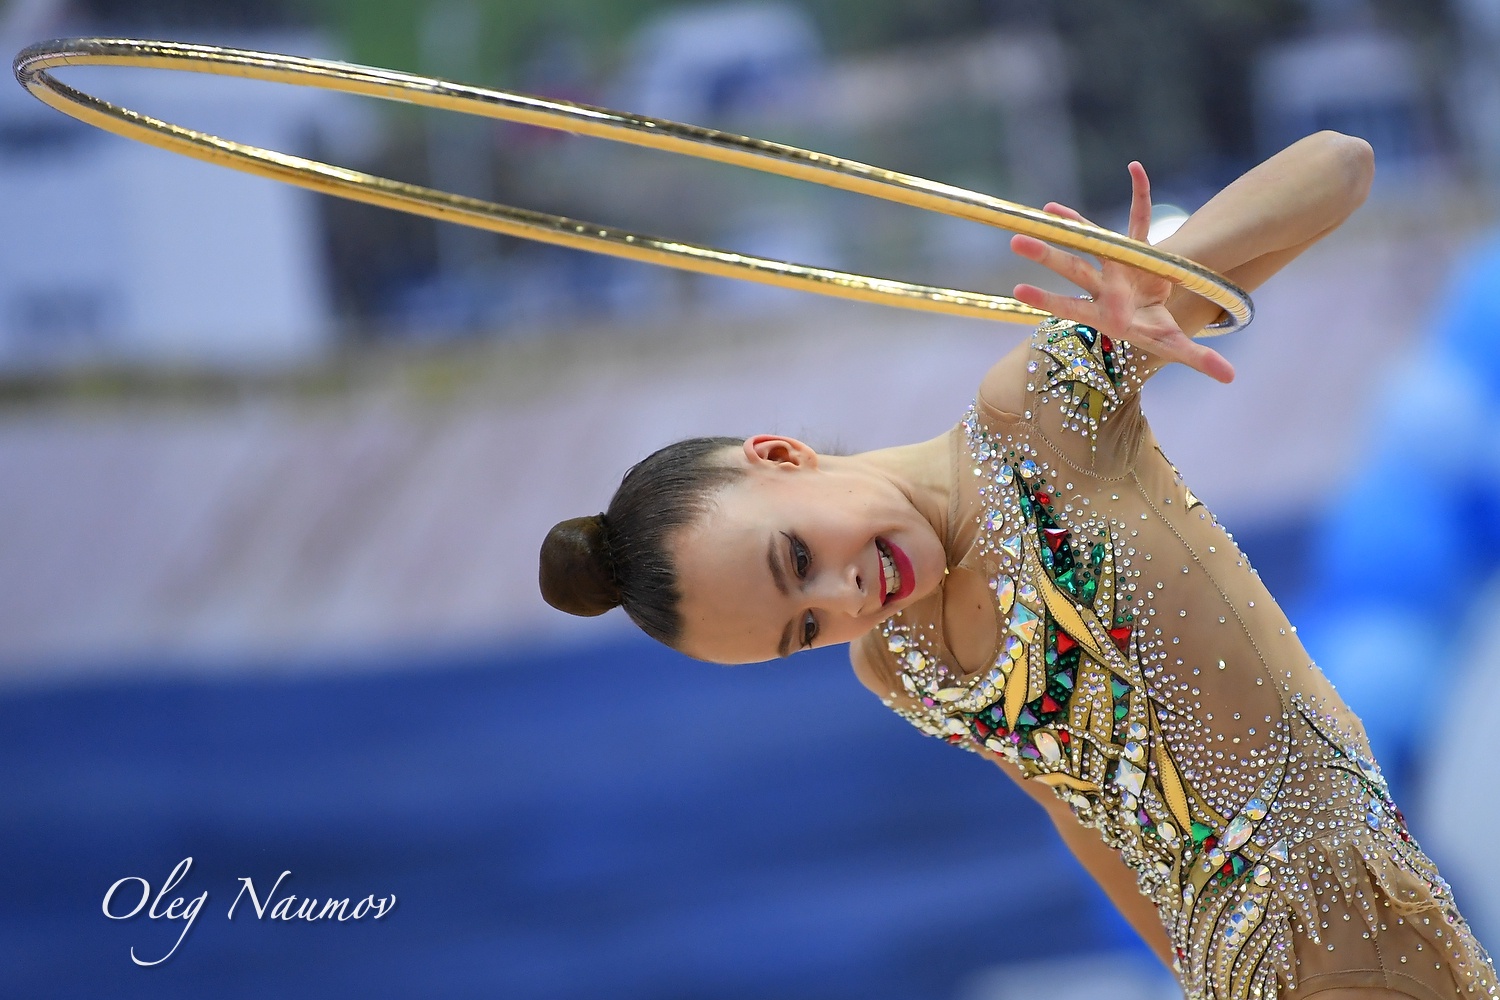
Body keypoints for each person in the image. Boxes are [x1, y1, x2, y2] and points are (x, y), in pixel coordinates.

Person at [539, 131, 1499, 1000]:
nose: (846, 597)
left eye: (800, 559)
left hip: (1363, 927)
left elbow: (1341, 166)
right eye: (806, 631)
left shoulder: (1034, 418)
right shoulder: (898, 665)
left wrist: (1167, 274)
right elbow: (1081, 821)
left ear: (783, 457)